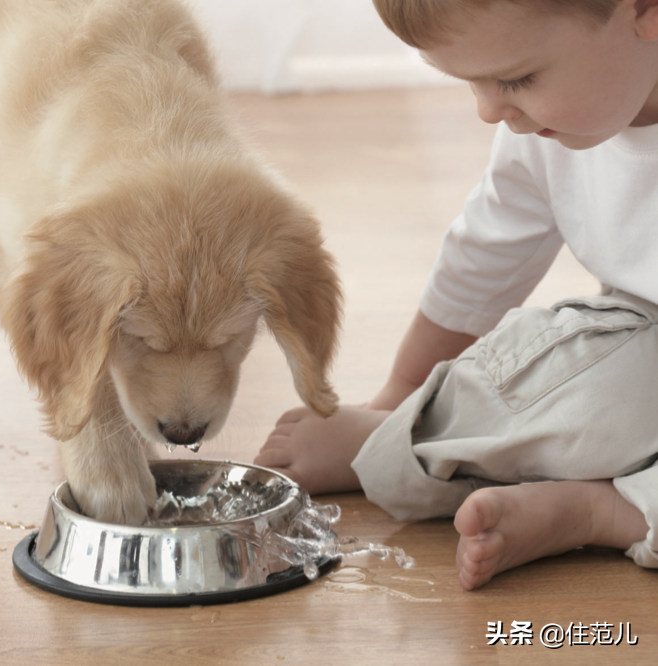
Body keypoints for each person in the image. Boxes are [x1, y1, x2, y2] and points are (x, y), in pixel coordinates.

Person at [255, 0, 658, 590]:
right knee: (583, 389)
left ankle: (602, 513)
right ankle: (411, 435)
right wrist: (397, 398)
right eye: (470, 84)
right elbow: (485, 256)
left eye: (516, 80)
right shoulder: (543, 129)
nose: (490, 110)